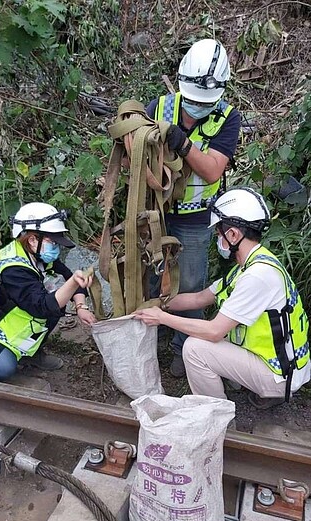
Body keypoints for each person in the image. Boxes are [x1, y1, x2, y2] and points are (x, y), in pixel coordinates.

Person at [135, 187, 311, 409]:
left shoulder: (257, 276)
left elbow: (214, 330)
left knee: (195, 349)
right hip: (283, 363)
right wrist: (156, 304)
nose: (218, 239)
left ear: (234, 234)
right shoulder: (252, 264)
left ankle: (217, 417)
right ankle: (252, 387)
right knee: (207, 342)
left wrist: (162, 318)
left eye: (219, 234)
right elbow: (199, 298)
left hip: (280, 374)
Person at [146, 38, 241, 377]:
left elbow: (214, 168)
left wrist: (183, 144)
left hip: (196, 217)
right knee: (149, 275)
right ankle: (149, 333)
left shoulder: (227, 118)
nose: (197, 107)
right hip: (155, 212)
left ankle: (182, 347)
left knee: (189, 283)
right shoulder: (158, 107)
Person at [0, 202, 96, 382]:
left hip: (6, 318)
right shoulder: (13, 269)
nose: (57, 247)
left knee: (56, 303)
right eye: (53, 242)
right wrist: (72, 283)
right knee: (3, 367)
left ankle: (30, 354)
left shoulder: (37, 256)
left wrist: (81, 306)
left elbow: (70, 279)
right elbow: (43, 306)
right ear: (32, 239)